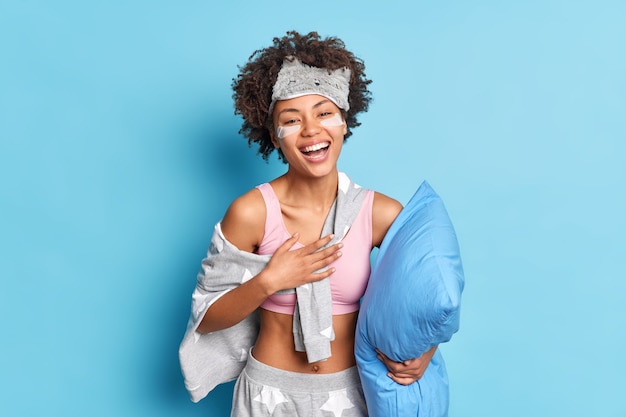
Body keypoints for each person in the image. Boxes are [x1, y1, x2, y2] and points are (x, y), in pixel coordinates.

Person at [183, 30, 437, 416]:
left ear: (343, 122)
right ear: (274, 135)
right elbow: (207, 318)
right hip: (269, 395)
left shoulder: (380, 213)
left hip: (351, 394)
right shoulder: (252, 212)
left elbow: (429, 299)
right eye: (292, 119)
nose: (311, 129)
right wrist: (270, 279)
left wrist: (426, 350)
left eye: (324, 113)